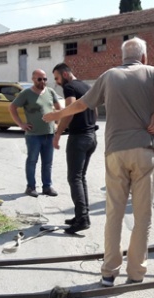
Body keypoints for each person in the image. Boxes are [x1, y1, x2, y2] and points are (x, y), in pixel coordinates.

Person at [42, 38, 154, 286]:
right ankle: (136, 273)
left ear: (122, 57)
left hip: (116, 152)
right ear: (144, 56)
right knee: (142, 217)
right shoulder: (152, 73)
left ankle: (109, 272)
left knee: (114, 214)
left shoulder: (108, 76)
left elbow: (81, 104)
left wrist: (56, 115)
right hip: (145, 150)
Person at [51, 63, 98, 234]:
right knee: (80, 177)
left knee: (74, 178)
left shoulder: (70, 86)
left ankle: (82, 219)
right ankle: (81, 215)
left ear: (65, 74)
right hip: (91, 136)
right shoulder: (86, 86)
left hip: (79, 138)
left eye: (57, 78)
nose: (56, 82)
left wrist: (58, 133)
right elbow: (96, 111)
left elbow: (69, 111)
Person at [9, 69, 61, 198]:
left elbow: (59, 108)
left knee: (47, 162)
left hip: (49, 134)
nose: (42, 81)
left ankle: (47, 186)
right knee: (32, 161)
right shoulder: (26, 93)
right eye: (39, 79)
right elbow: (12, 107)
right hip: (33, 135)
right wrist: (21, 124)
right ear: (33, 79)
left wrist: (57, 124)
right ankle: (31, 187)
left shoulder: (50, 92)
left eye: (44, 79)